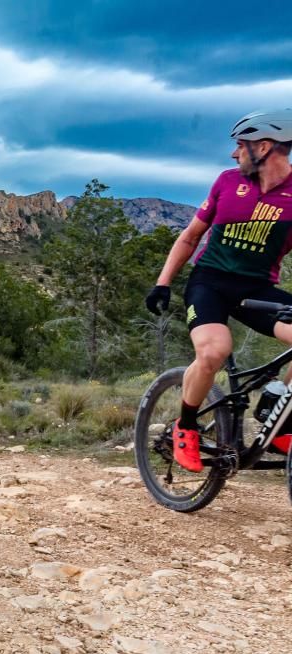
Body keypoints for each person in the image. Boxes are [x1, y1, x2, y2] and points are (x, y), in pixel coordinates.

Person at [146, 109, 292, 472]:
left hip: (257, 289)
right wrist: (163, 283)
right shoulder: (227, 182)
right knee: (214, 352)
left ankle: (278, 414)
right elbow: (190, 236)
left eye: (239, 145)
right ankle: (186, 426)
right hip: (209, 283)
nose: (233, 153)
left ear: (263, 147)